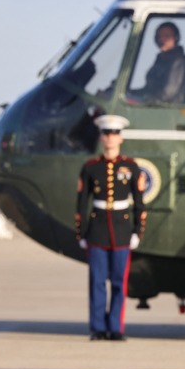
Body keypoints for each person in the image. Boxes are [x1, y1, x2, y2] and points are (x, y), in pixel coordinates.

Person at [75, 114, 147, 341]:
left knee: (119, 282)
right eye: (106, 134)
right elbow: (81, 203)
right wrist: (81, 232)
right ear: (101, 137)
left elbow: (140, 203)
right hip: (97, 231)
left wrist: (137, 231)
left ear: (121, 138)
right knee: (97, 282)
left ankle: (115, 327)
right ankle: (97, 327)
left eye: (114, 133)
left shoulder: (131, 167)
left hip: (122, 230)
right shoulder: (90, 168)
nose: (110, 138)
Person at [132, 21, 185, 103]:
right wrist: (130, 92)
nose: (162, 39)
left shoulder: (178, 61)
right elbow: (149, 89)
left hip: (166, 107)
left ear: (176, 38)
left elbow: (169, 92)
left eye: (167, 36)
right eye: (159, 36)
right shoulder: (162, 59)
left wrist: (149, 100)